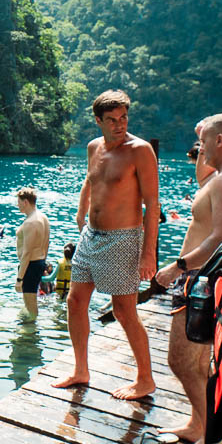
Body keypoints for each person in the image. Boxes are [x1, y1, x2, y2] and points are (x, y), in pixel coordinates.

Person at [53, 90, 159, 400]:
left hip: (124, 238)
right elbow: (91, 178)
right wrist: (81, 209)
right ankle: (80, 370)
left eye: (124, 117)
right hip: (91, 236)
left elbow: (152, 203)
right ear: (98, 121)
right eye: (111, 120)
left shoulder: (139, 150)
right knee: (75, 301)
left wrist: (148, 253)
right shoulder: (93, 147)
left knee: (124, 311)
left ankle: (145, 379)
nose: (119, 124)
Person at [155, 114, 222, 444]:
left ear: (221, 142)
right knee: (192, 361)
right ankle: (197, 423)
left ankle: (212, 434)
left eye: (206, 142)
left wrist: (177, 266)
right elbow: (204, 185)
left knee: (182, 360)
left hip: (203, 279)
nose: (200, 148)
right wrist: (203, 130)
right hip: (198, 278)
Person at [15, 187, 50, 319]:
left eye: (19, 202)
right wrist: (43, 263)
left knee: (30, 306)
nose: (18, 206)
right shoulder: (43, 217)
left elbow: (27, 253)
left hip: (30, 265)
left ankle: (29, 335)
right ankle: (30, 327)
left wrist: (19, 279)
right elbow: (47, 243)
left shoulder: (30, 223)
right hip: (39, 262)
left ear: (25, 202)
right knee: (31, 303)